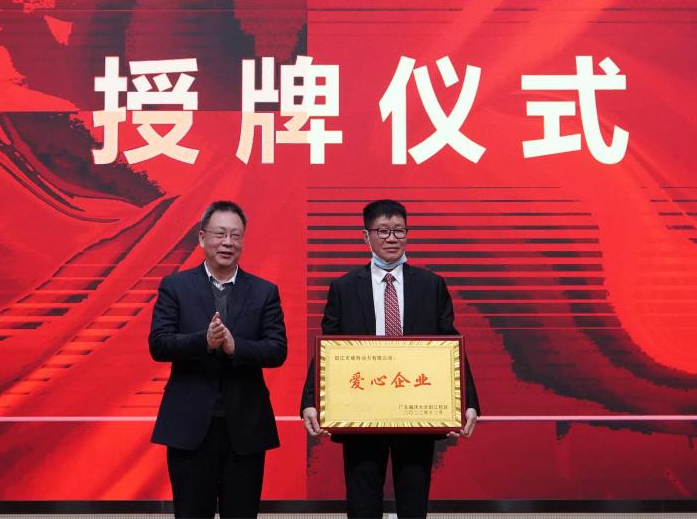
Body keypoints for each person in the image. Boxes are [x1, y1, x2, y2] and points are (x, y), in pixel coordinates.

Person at [301, 199, 480, 519]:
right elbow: (328, 346)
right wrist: (310, 401)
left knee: (413, 504)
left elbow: (450, 344)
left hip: (414, 410)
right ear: (366, 236)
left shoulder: (431, 285)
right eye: (383, 231)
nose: (392, 238)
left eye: (399, 230)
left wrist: (467, 402)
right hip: (360, 411)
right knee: (362, 504)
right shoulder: (344, 287)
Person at [150, 200, 287, 518]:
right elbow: (159, 344)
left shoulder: (264, 291)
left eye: (235, 235)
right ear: (202, 238)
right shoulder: (175, 286)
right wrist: (204, 341)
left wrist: (235, 346)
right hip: (190, 425)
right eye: (220, 234)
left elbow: (277, 350)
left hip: (246, 425)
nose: (228, 242)